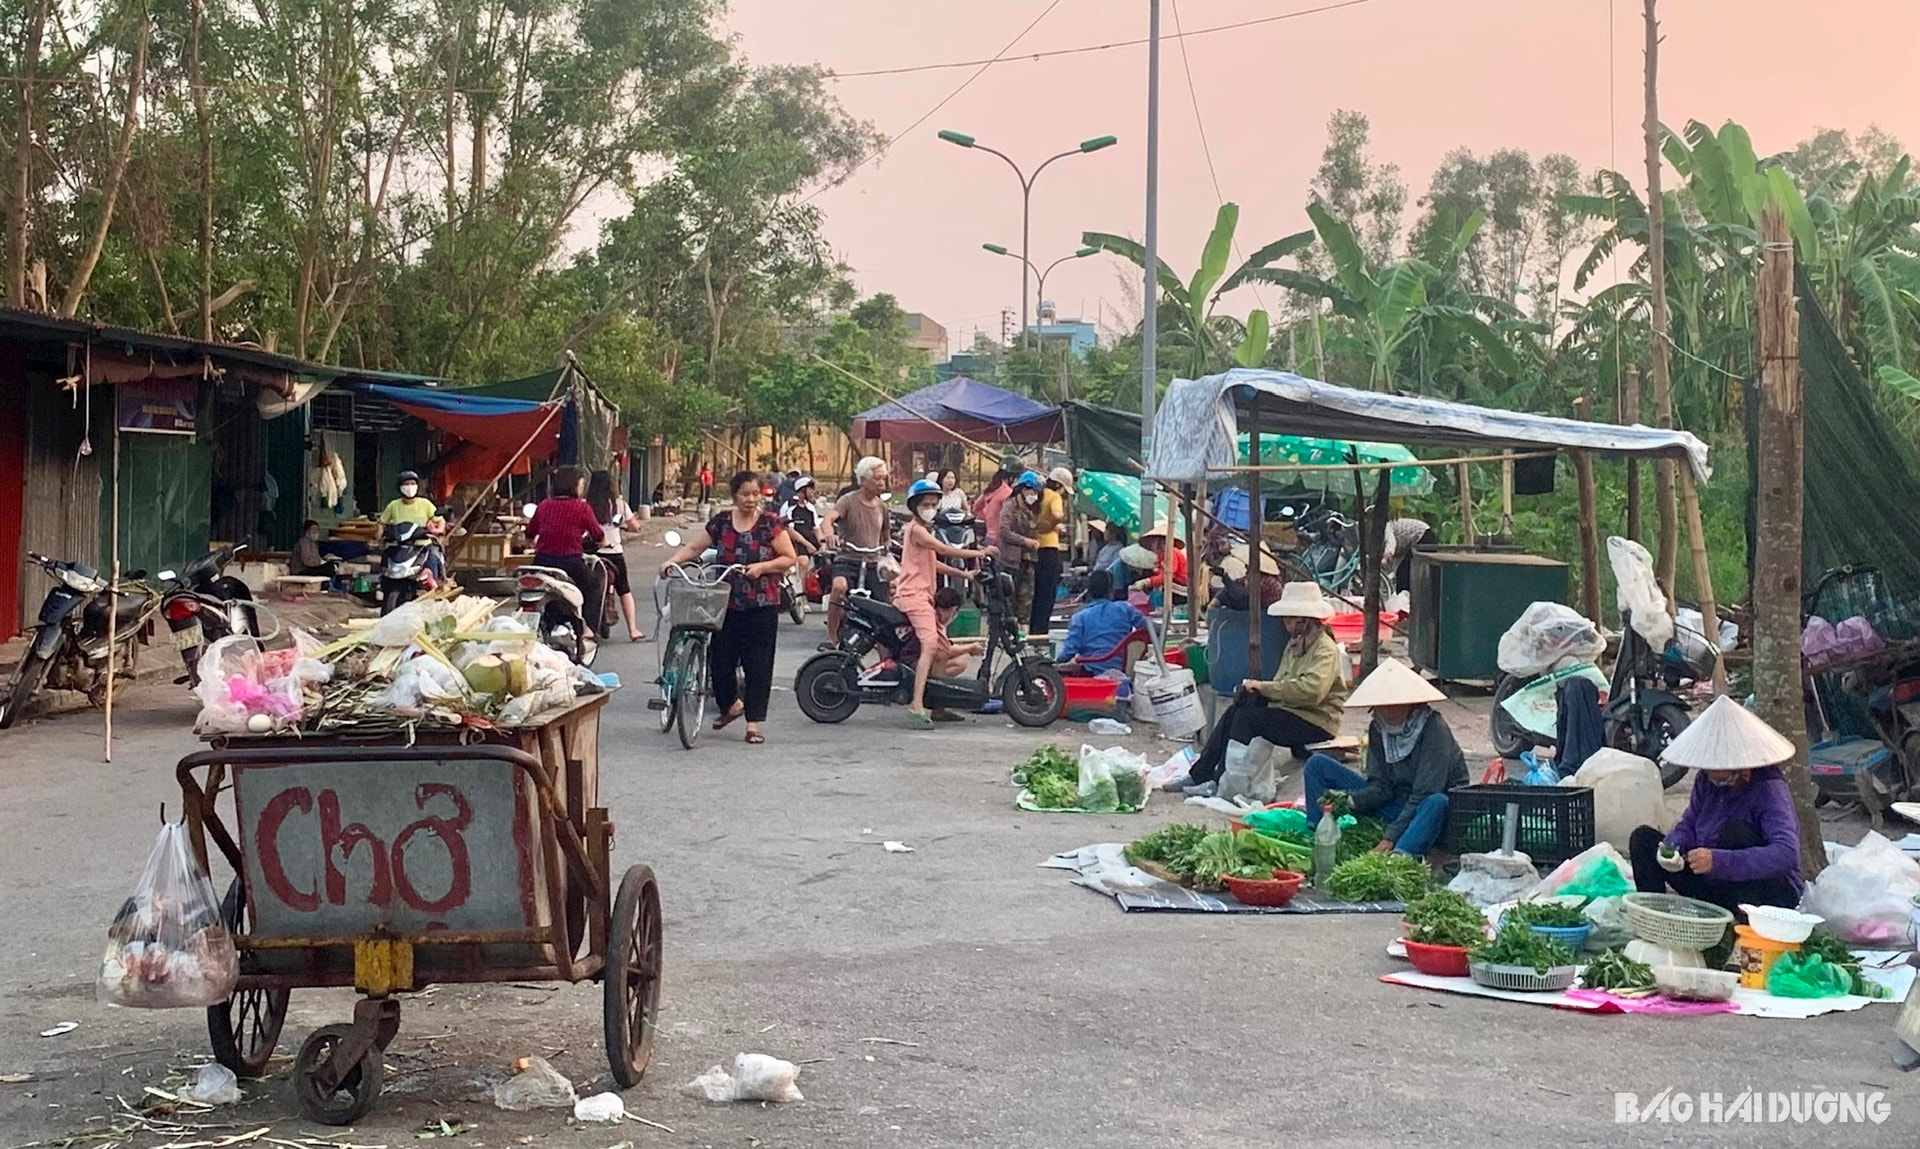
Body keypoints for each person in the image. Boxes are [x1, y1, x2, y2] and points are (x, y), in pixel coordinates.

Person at [1628, 696, 1805, 916]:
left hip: (1766, 894)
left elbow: (1786, 854)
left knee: (1734, 832)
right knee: (1643, 839)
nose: (1712, 778)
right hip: (1716, 884)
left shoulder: (1769, 789)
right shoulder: (1706, 780)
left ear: (1743, 768)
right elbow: (1690, 822)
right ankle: (1654, 917)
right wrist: (1673, 846)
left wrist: (1719, 861)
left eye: (1720, 775)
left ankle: (1735, 923)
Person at [1177, 582, 1349, 802]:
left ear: (1305, 619)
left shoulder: (1324, 648)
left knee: (1247, 719)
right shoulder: (1296, 643)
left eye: (1290, 618)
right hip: (1293, 711)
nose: (1286, 623)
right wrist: (1257, 692)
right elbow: (1283, 683)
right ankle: (1202, 774)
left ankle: (1224, 781)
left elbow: (1312, 691)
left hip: (1317, 721)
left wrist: (1264, 688)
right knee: (1236, 709)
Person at [660, 471, 797, 745]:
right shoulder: (722, 522)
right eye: (745, 494)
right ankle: (731, 705)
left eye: (755, 494)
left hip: (762, 603)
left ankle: (753, 724)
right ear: (734, 495)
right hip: (726, 602)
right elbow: (696, 547)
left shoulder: (770, 524)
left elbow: (789, 558)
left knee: (758, 664)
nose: (750, 499)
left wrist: (762, 567)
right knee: (720, 660)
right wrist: (671, 561)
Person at [1303, 659, 1468, 861]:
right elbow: (1381, 787)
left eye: (1395, 705)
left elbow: (1426, 792)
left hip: (1429, 814)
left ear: (1410, 703)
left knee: (1437, 802)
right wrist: (1350, 801)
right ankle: (1317, 836)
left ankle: (1400, 856)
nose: (1388, 712)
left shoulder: (1433, 728)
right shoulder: (1378, 729)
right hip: (1395, 805)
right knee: (1317, 765)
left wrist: (1390, 838)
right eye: (1383, 706)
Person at [898, 478, 993, 725]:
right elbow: (946, 550)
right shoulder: (917, 530)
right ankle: (916, 705)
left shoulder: (923, 531)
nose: (930, 507)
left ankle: (937, 705)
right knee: (930, 645)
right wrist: (979, 552)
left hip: (924, 595)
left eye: (933, 503)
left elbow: (934, 562)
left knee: (941, 652)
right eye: (926, 503)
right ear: (914, 506)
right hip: (913, 596)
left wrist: (964, 574)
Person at [819, 456, 892, 651]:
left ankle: (886, 656)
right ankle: (832, 637)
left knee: (884, 606)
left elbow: (885, 536)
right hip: (848, 558)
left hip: (872, 562)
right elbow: (829, 519)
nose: (881, 483)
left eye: (883, 478)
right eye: (877, 478)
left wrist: (887, 546)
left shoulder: (882, 506)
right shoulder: (848, 501)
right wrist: (829, 534)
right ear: (863, 480)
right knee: (839, 587)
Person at [525, 466, 607, 639]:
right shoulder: (581, 508)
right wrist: (603, 541)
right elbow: (598, 534)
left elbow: (530, 533)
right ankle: (588, 628)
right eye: (581, 484)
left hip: (542, 562)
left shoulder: (544, 505)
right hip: (570, 562)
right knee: (593, 585)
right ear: (575, 485)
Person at [586, 469, 645, 642]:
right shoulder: (619, 504)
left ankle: (586, 628)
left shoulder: (585, 504)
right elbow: (635, 526)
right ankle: (633, 630)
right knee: (624, 590)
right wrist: (627, 526)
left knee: (587, 590)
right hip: (613, 554)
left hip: (591, 553)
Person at [1056, 570, 1151, 675]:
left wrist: (1054, 662)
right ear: (1111, 590)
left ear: (1089, 591)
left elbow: (1068, 652)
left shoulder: (1079, 618)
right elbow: (1148, 628)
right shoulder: (1125, 609)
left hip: (1090, 671)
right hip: (1122, 669)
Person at [998, 471, 1044, 639]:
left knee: (1026, 602)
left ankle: (1023, 638)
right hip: (1010, 561)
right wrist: (1025, 541)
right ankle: (1007, 636)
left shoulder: (1032, 509)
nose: (1033, 495)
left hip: (1029, 561)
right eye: (1030, 490)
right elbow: (1004, 531)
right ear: (1021, 489)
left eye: (1036, 492)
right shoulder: (1010, 506)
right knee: (1009, 601)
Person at [1027, 466, 1071, 639]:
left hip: (1034, 547)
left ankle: (1033, 628)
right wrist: (1054, 523)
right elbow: (1057, 514)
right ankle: (1041, 631)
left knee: (1036, 590)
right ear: (1060, 485)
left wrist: (1044, 525)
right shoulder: (1055, 496)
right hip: (1050, 549)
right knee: (1048, 592)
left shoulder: (1038, 494)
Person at [379, 470, 445, 581]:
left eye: (412, 483)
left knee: (433, 559)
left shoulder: (425, 504)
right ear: (399, 487)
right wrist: (379, 536)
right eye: (406, 484)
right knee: (386, 564)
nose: (410, 487)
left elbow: (440, 520)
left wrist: (438, 530)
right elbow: (382, 522)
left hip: (422, 546)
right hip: (400, 546)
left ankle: (435, 588)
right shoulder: (393, 505)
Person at [1129, 520, 1188, 600]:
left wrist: (1147, 582)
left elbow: (1168, 575)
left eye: (1154, 541)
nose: (1152, 545)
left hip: (1179, 591)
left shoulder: (1172, 552)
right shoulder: (1162, 555)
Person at [974, 455, 1022, 549]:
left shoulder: (990, 489)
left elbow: (976, 507)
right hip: (1002, 539)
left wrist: (989, 517)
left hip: (989, 537)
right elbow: (1012, 517)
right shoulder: (1008, 492)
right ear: (1012, 477)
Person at [1382, 516, 1437, 594]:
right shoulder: (1395, 535)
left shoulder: (1386, 528)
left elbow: (1391, 545)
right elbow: (1398, 558)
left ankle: (1405, 598)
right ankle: (1406, 597)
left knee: (1403, 573)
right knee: (1403, 571)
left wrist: (1385, 558)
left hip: (1423, 536)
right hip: (1421, 537)